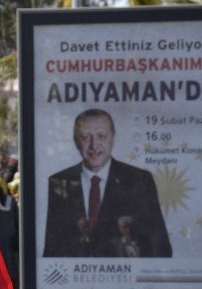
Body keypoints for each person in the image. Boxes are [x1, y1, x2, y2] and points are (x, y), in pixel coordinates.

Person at [44, 108, 171, 258]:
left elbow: (160, 248)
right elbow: (52, 249)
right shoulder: (60, 181)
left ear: (113, 138)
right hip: (77, 279)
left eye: (101, 136)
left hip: (125, 279)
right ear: (76, 140)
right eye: (86, 137)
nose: (94, 145)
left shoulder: (139, 180)